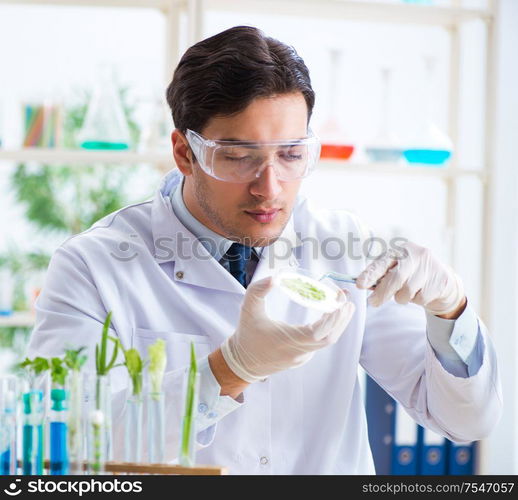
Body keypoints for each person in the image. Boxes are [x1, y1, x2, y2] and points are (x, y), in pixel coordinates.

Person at [26, 26, 502, 475]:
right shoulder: (93, 265)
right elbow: (70, 448)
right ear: (184, 152)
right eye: (238, 157)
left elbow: (466, 422)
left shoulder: (345, 247)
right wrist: (228, 371)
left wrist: (450, 311)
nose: (270, 188)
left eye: (292, 155)